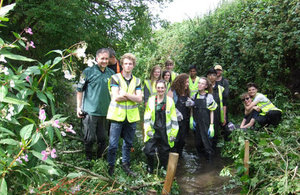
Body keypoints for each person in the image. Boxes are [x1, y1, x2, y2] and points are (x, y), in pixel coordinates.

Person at [106, 53, 142, 176]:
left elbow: (139, 99)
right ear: (122, 65)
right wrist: (132, 96)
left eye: (130, 64)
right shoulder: (115, 78)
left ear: (133, 65)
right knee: (113, 145)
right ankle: (110, 167)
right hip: (117, 115)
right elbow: (116, 97)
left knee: (128, 144)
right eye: (125, 63)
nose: (128, 66)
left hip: (131, 117)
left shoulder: (137, 80)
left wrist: (125, 94)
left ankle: (126, 166)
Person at [76, 48, 115, 161]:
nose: (104, 61)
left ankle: (99, 160)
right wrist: (78, 108)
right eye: (102, 58)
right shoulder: (87, 72)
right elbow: (79, 90)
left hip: (105, 112)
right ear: (96, 58)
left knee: (103, 138)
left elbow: (114, 93)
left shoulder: (111, 74)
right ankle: (88, 159)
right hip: (90, 111)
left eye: (106, 59)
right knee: (90, 138)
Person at [143, 80, 179, 173]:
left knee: (164, 152)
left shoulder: (170, 101)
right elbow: (147, 116)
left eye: (162, 88)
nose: (160, 89)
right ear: (156, 88)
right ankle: (150, 168)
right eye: (158, 88)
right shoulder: (151, 100)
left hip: (165, 131)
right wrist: (148, 130)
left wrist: (173, 134)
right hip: (153, 130)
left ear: (165, 89)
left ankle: (162, 170)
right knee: (148, 150)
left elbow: (174, 118)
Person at [192, 77, 217, 158]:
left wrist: (211, 125)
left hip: (206, 124)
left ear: (206, 86)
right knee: (198, 144)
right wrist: (191, 118)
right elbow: (192, 108)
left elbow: (212, 111)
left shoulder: (209, 97)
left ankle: (210, 165)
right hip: (197, 124)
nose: (200, 85)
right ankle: (201, 163)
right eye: (199, 83)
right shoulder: (194, 96)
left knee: (207, 144)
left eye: (202, 83)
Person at [167, 73, 190, 156]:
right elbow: (168, 104)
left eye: (188, 82)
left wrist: (190, 103)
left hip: (184, 120)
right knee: (174, 140)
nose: (187, 84)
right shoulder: (172, 91)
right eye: (186, 82)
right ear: (180, 82)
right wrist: (176, 112)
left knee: (182, 140)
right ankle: (171, 157)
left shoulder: (187, 91)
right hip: (174, 120)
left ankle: (180, 157)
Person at [207, 68, 227, 142]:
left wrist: (224, 117)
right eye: (210, 75)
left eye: (213, 75)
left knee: (214, 135)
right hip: (205, 115)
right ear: (207, 76)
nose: (211, 77)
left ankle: (213, 151)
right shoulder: (203, 87)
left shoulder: (220, 88)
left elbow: (224, 104)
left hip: (217, 115)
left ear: (216, 76)